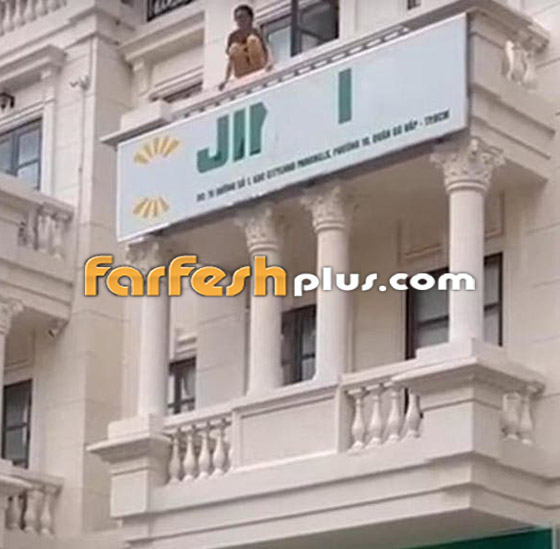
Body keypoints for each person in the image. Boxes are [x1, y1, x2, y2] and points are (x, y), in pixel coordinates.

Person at [219, 4, 273, 90]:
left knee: (252, 40)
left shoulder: (256, 31)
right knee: (234, 47)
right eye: (237, 18)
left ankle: (258, 67)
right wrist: (226, 80)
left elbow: (267, 48)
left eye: (242, 17)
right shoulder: (233, 36)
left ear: (250, 18)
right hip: (242, 70)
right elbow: (231, 60)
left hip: (258, 64)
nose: (240, 21)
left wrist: (269, 63)